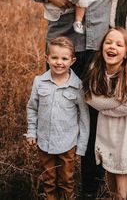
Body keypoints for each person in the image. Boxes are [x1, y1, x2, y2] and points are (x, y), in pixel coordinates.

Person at [15, 0, 119, 197]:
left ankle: (89, 187)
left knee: (96, 117)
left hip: (101, 46)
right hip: (63, 48)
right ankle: (54, 186)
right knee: (58, 113)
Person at [26, 36, 90, 200]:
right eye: (54, 57)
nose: (59, 62)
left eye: (64, 58)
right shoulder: (39, 82)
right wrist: (32, 132)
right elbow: (32, 108)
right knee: (49, 179)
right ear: (47, 58)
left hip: (67, 144)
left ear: (72, 60)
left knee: (66, 180)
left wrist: (81, 146)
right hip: (44, 141)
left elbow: (84, 117)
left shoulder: (77, 85)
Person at [83, 27, 127, 199]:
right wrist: (114, 103)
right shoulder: (96, 69)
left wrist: (104, 109)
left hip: (123, 129)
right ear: (101, 48)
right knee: (108, 162)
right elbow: (89, 97)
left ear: (126, 53)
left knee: (121, 166)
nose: (112, 47)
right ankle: (112, 194)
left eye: (118, 44)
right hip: (105, 127)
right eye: (108, 42)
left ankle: (121, 197)